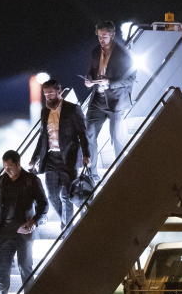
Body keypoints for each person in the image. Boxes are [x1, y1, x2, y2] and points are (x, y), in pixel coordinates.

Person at [28, 78, 90, 229]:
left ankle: (66, 228)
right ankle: (67, 223)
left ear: (59, 91)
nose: (48, 96)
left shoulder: (72, 109)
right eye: (45, 94)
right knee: (52, 196)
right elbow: (42, 137)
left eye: (50, 93)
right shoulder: (44, 111)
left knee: (66, 196)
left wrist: (87, 155)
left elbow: (83, 133)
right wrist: (34, 158)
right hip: (50, 158)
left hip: (69, 158)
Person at [0, 149, 48, 294]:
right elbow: (0, 206)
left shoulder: (31, 180)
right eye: (4, 167)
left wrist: (34, 221)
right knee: (2, 269)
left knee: (25, 266)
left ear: (18, 164)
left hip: (24, 229)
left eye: (10, 166)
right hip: (5, 230)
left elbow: (43, 204)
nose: (7, 170)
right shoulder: (3, 180)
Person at [84, 20, 136, 181]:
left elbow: (131, 78)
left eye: (104, 37)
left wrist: (110, 83)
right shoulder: (95, 51)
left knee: (116, 138)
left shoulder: (124, 53)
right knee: (89, 135)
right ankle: (92, 174)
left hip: (116, 103)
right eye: (99, 36)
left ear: (112, 35)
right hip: (97, 101)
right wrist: (88, 80)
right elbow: (91, 71)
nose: (101, 40)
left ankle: (121, 172)